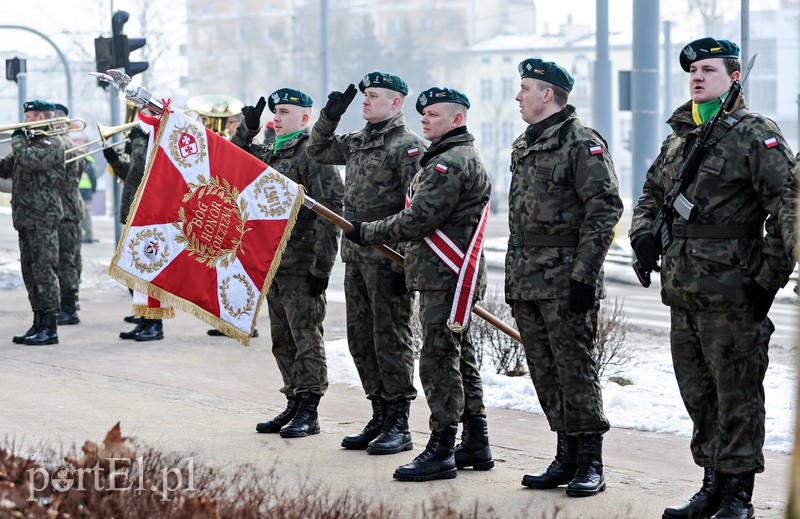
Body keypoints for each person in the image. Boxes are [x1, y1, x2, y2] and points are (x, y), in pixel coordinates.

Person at [630, 37, 797, 519]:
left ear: (734, 78)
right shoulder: (680, 135)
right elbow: (650, 195)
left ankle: (738, 495)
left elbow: (787, 209)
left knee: (737, 395)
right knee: (699, 396)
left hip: (734, 292)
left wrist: (766, 280)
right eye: (693, 71)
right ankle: (710, 484)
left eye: (709, 69)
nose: (698, 77)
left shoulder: (755, 134)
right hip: (683, 293)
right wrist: (643, 236)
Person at [344, 87, 493, 482]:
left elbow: (415, 221)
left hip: (448, 275)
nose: (424, 118)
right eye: (423, 113)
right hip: (444, 274)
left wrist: (368, 231)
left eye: (434, 114)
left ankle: (442, 448)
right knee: (459, 357)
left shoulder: (451, 163)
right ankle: (476, 441)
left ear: (457, 119)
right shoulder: (444, 157)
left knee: (439, 361)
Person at [507, 59, 622, 497]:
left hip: (565, 280)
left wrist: (584, 277)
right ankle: (565, 455)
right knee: (545, 370)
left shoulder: (581, 141)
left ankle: (590, 460)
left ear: (548, 94)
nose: (518, 97)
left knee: (575, 370)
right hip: (527, 279)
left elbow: (604, 209)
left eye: (525, 89)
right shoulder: (524, 144)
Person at [307, 72, 425, 455]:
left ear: (396, 103)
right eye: (365, 95)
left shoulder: (408, 147)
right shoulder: (358, 141)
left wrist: (405, 258)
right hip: (356, 255)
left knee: (390, 338)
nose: (366, 101)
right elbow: (317, 151)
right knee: (361, 339)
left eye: (374, 96)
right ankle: (378, 412)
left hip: (388, 257)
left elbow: (416, 209)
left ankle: (399, 422)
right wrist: (329, 116)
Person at [229, 88, 343, 438]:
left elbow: (331, 208)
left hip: (302, 263)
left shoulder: (312, 154)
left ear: (305, 119)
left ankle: (310, 408)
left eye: (285, 112)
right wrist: (245, 129)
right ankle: (293, 400)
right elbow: (232, 158)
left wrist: (322, 268)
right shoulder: (268, 151)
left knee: (306, 335)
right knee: (282, 338)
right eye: (275, 111)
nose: (276, 117)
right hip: (271, 260)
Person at [0, 100, 65, 345]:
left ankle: (50, 327)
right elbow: (5, 168)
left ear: (40, 118)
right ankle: (38, 322)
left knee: (45, 272)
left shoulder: (51, 143)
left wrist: (17, 139)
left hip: (43, 218)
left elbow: (29, 160)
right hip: (25, 219)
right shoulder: (25, 144)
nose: (25, 121)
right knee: (30, 273)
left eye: (28, 117)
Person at [104, 115, 164, 342]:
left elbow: (141, 165)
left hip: (148, 221)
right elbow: (132, 175)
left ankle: (154, 325)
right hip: (133, 218)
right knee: (133, 275)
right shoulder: (144, 148)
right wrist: (114, 161)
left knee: (146, 275)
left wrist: (138, 139)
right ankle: (144, 319)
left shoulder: (155, 148)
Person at [53, 103, 85, 326]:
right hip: (60, 209)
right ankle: (68, 302)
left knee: (67, 260)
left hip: (67, 210)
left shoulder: (66, 144)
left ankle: (70, 306)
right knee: (67, 259)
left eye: (55, 118)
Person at [78, 154, 97, 243]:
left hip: (82, 191)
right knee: (85, 214)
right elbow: (93, 179)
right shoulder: (88, 163)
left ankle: (88, 235)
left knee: (84, 214)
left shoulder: (85, 162)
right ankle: (87, 234)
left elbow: (93, 179)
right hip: (85, 191)